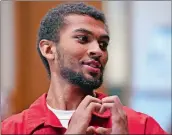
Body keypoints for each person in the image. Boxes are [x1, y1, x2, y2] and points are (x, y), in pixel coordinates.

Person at [1, 2, 168, 134]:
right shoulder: (11, 130)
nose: (98, 50)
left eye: (103, 44)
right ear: (49, 50)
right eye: (83, 38)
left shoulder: (142, 126)